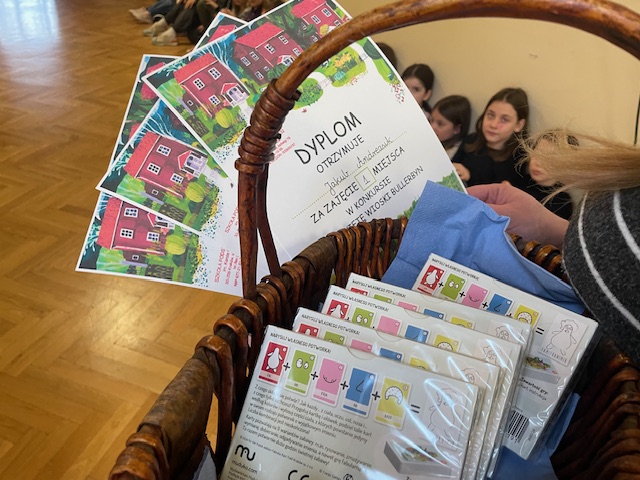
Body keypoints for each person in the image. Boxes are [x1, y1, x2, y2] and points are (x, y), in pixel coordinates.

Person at [467, 130, 640, 365]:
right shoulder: (517, 180)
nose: (538, 163)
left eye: (550, 158)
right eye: (535, 154)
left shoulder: (563, 202)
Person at [451, 87, 530, 189]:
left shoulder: (520, 158)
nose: (493, 125)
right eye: (490, 115)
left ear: (519, 125)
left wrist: (470, 177)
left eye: (504, 120)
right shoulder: (471, 140)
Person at [521, 130, 580, 220]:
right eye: (536, 153)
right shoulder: (521, 181)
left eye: (548, 158)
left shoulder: (561, 203)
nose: (537, 163)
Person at [429, 95, 471, 159]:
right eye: (431, 120)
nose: (432, 127)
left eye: (440, 124)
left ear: (457, 129)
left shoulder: (454, 154)